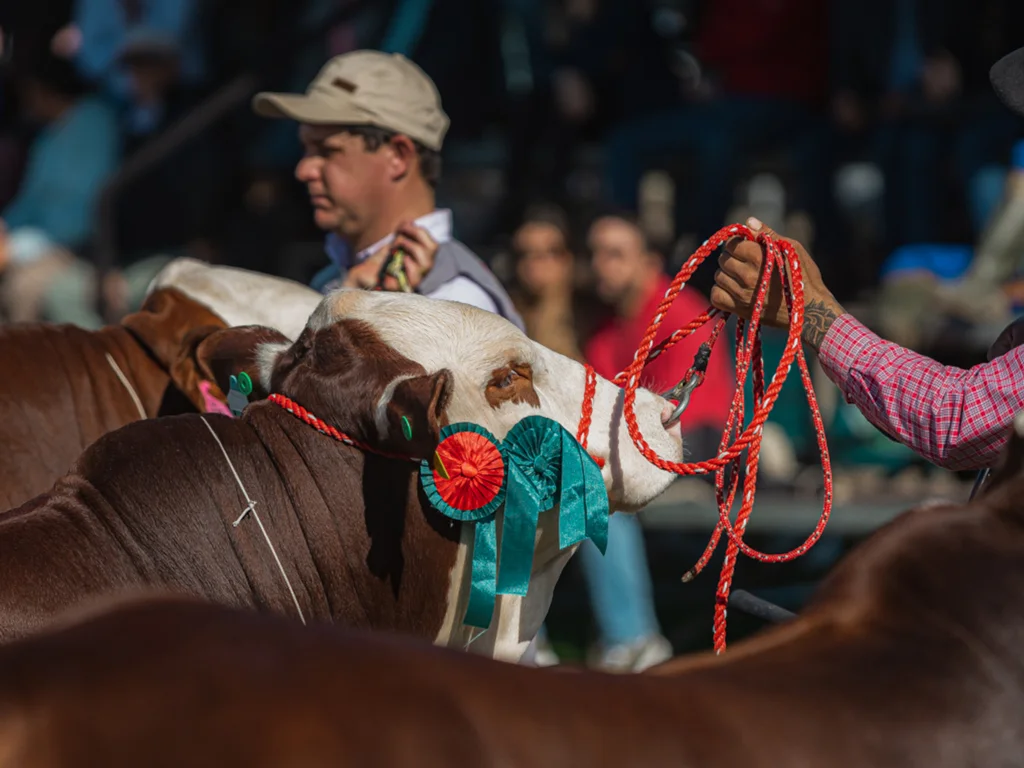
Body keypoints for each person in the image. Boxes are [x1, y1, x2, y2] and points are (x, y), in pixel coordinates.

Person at [251, 49, 523, 329]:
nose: (304, 170)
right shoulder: (334, 280)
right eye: (306, 148)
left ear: (399, 156)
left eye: (327, 150)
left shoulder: (455, 299)